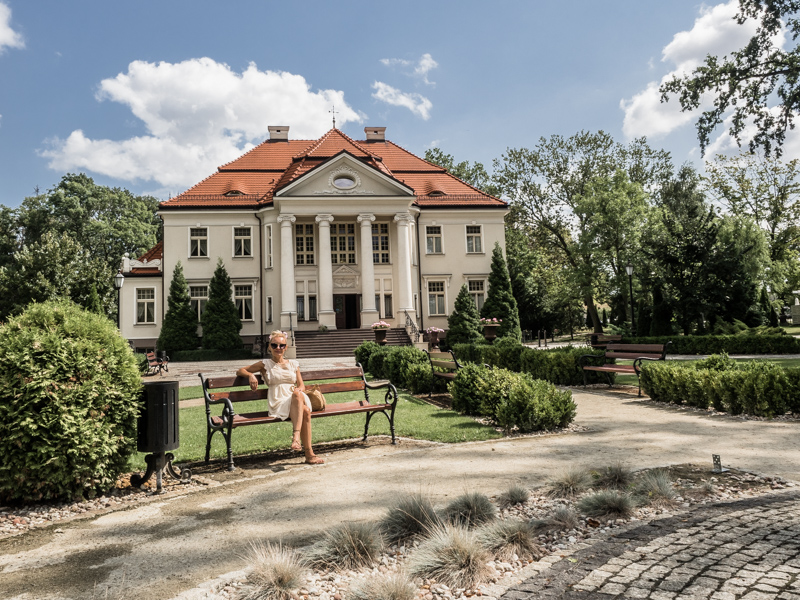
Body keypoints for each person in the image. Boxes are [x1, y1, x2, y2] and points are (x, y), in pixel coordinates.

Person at [236, 330, 324, 465]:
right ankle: (307, 451)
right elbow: (240, 370)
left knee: (298, 395)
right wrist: (250, 375)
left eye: (282, 345)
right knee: (305, 411)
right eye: (275, 345)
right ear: (269, 347)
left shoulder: (294, 364)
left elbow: (301, 385)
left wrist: (298, 391)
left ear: (286, 348)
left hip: (295, 398)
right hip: (278, 401)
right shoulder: (265, 364)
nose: (278, 348)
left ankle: (298, 441)